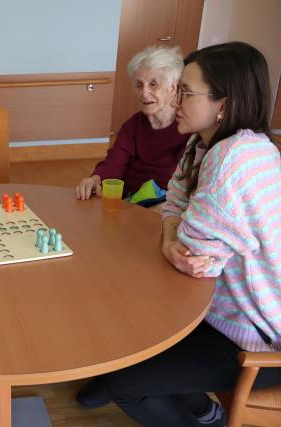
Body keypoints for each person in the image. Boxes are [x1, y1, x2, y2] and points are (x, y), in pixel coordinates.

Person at [76, 41, 281, 426]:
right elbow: (173, 207)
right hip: (217, 313)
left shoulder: (234, 160)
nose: (174, 99)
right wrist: (173, 235)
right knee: (124, 311)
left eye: (183, 91)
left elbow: (192, 259)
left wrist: (176, 238)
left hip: (254, 340)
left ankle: (203, 418)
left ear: (223, 103)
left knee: (126, 382)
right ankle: (205, 410)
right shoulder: (204, 145)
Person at [76, 45, 189, 204]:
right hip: (130, 203)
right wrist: (95, 179)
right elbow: (113, 164)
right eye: (139, 84)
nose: (144, 93)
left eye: (153, 84)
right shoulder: (133, 125)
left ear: (173, 87)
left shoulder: (188, 128)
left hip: (166, 208)